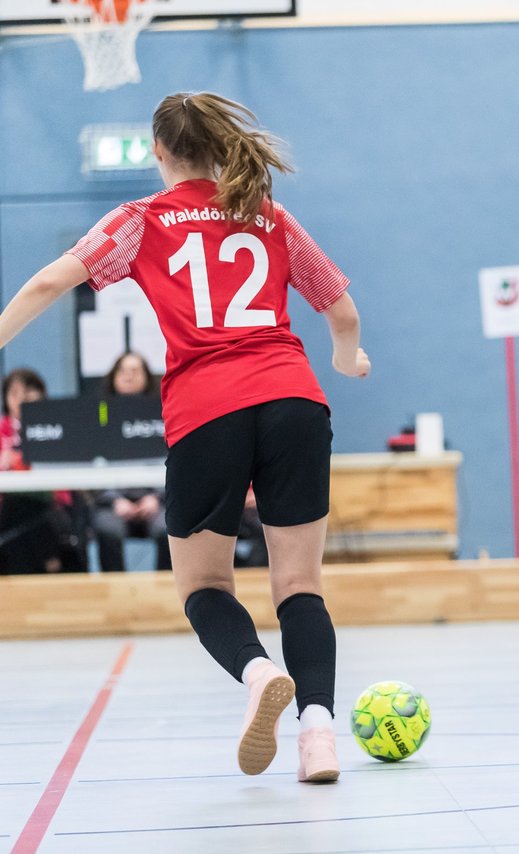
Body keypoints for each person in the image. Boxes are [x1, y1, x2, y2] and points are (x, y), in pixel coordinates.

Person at [0, 92, 370, 782]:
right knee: (300, 585)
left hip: (208, 409)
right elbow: (341, 311)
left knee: (203, 586)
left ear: (159, 152)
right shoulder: (269, 215)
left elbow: (53, 280)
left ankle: (258, 674)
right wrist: (348, 361)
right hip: (293, 399)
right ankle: (318, 731)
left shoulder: (143, 219)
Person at [91, 351, 172, 572]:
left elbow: (172, 460)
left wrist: (156, 498)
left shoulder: (164, 413)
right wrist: (115, 500)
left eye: (136, 371)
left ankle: (166, 594)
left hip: (156, 500)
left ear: (146, 376)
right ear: (114, 376)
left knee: (169, 528)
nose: (129, 376)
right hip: (114, 502)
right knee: (107, 529)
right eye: (123, 371)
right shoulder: (99, 415)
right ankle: (114, 596)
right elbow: (94, 465)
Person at [0, 368, 86, 574]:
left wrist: (19, 461)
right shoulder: (2, 430)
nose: (21, 399)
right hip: (8, 506)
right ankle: (48, 562)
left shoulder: (55, 427)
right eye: (15, 393)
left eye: (28, 393)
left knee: (32, 512)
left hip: (52, 502)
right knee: (18, 510)